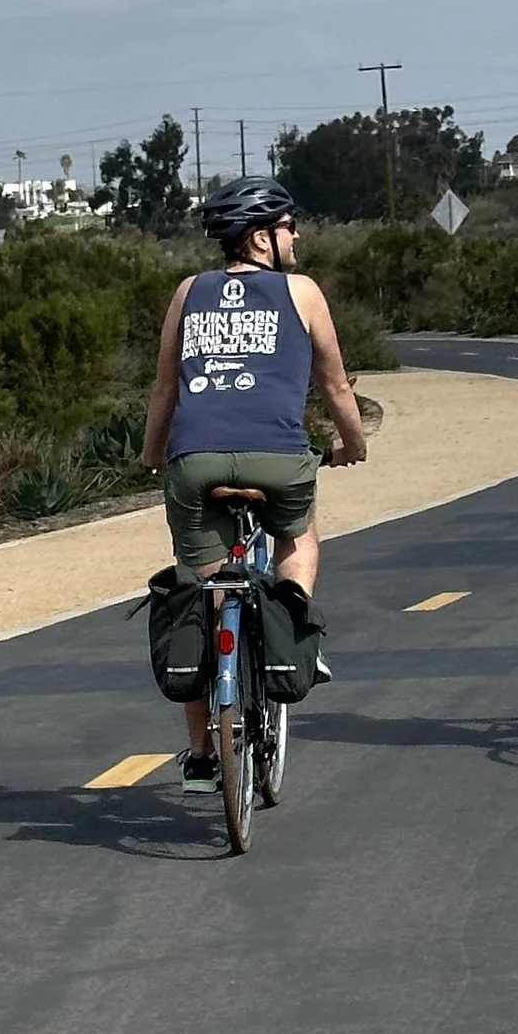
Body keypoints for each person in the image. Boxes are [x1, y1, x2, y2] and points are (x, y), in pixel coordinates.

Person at [142, 178, 370, 786]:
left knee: (201, 594)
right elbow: (335, 385)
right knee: (298, 536)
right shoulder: (303, 292)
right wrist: (353, 445)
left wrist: (153, 454)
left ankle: (200, 755)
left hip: (195, 463)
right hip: (278, 461)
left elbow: (165, 388)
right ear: (262, 237)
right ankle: (292, 640)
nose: (296, 236)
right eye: (288, 226)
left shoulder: (188, 291)